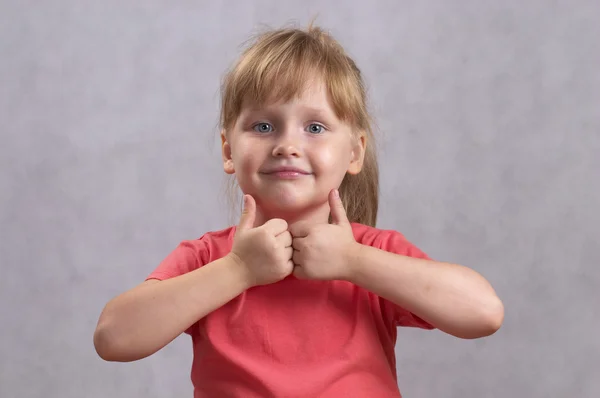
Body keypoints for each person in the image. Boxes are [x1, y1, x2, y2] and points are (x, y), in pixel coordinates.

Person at [93, 23, 504, 397]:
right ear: (228, 150)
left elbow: (483, 313)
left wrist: (354, 261)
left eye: (315, 127)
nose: (287, 145)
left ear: (354, 152)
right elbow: (114, 338)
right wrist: (238, 270)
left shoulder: (371, 253)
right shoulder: (210, 259)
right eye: (263, 126)